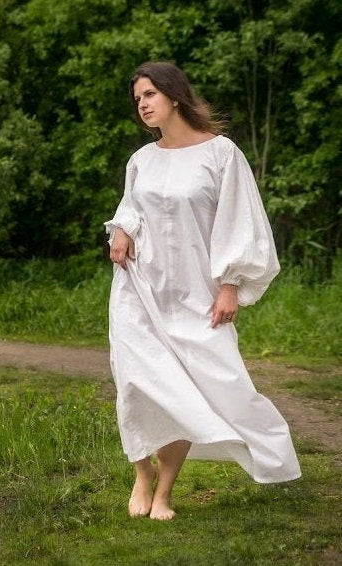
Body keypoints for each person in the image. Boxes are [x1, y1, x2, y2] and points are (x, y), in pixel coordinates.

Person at [104, 61, 301, 521]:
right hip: (139, 287)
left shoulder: (221, 154)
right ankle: (142, 474)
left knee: (191, 386)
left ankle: (165, 492)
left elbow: (239, 219)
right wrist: (122, 231)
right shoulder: (142, 159)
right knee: (135, 382)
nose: (144, 105)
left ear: (174, 95)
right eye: (138, 100)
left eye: (150, 94)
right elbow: (132, 207)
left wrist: (229, 284)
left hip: (195, 293)